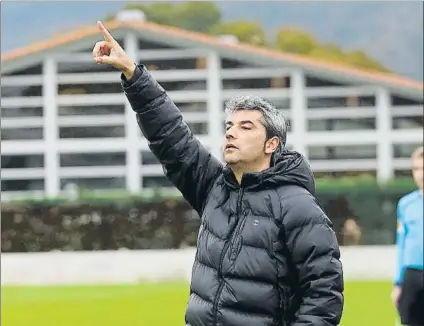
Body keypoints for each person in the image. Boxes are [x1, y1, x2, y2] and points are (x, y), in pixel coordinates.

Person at [92, 21, 344, 326]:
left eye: (245, 127)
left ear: (272, 143)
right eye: (229, 127)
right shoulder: (214, 187)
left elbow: (323, 294)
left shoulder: (298, 206)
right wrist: (133, 73)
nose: (231, 134)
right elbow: (171, 137)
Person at [392, 146, 424, 326]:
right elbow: (401, 244)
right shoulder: (405, 204)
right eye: (417, 168)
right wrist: (398, 283)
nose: (420, 174)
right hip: (412, 276)